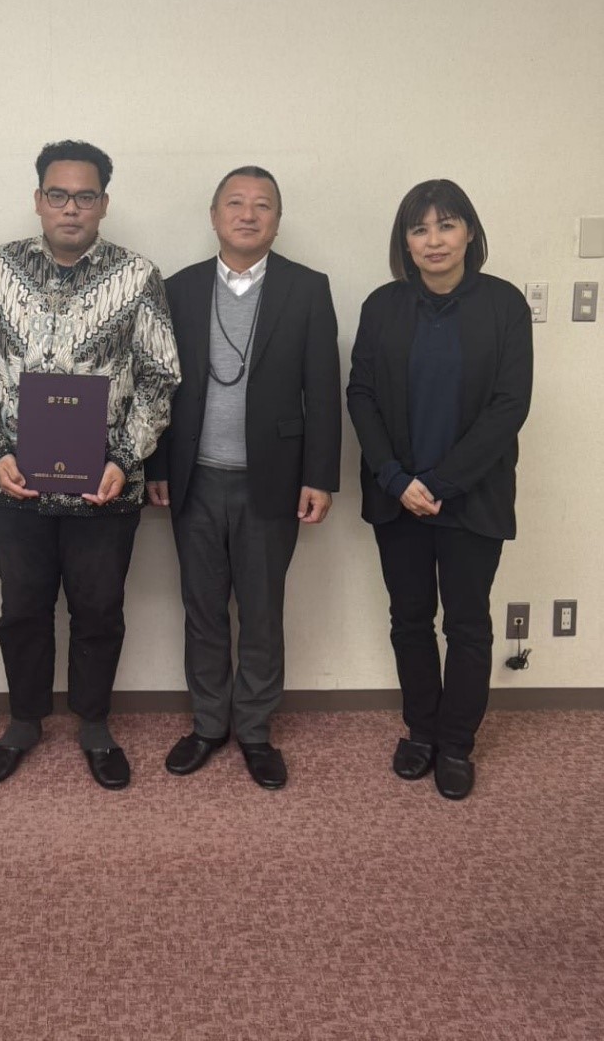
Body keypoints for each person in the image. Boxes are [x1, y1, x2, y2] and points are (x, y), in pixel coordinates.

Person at [0, 140, 180, 790]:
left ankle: (94, 724)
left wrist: (124, 457)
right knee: (21, 608)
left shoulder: (138, 275)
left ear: (103, 203)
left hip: (105, 487)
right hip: (13, 483)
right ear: (38, 199)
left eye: (85, 196)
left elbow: (159, 378)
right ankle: (23, 721)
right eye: (57, 194)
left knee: (99, 610)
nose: (70, 208)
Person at [145, 166, 340, 790]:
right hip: (194, 479)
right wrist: (156, 466)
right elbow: (158, 387)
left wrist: (320, 476)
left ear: (278, 220)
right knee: (202, 610)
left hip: (272, 482)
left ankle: (254, 729)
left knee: (261, 612)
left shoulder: (307, 289)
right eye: (235, 203)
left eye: (262, 205)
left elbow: (323, 391)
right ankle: (208, 724)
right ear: (214, 215)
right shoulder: (179, 288)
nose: (248, 214)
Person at [347, 179, 532, 801]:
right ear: (405, 241)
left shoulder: (504, 305)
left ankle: (456, 744)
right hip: (397, 497)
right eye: (420, 228)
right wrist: (397, 479)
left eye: (446, 225)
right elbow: (361, 395)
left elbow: (509, 406)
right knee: (409, 620)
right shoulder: (383, 306)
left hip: (472, 497)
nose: (434, 240)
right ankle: (421, 732)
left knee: (468, 625)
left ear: (469, 232)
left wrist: (441, 483)